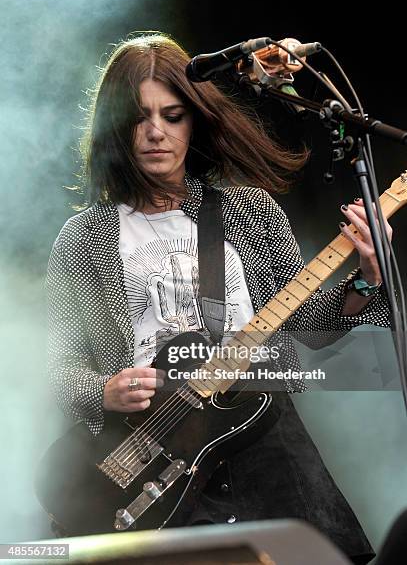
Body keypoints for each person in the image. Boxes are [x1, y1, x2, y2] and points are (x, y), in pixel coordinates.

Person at [46, 33, 392, 564]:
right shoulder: (84, 238)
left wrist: (368, 277)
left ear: (196, 120)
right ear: (116, 126)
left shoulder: (249, 212)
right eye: (139, 117)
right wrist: (104, 390)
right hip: (156, 462)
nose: (156, 132)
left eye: (174, 115)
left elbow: (312, 324)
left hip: (262, 441)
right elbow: (57, 369)